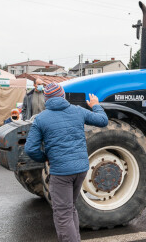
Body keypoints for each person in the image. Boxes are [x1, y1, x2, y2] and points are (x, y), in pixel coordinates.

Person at [25, 83, 108, 242]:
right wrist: (96, 105)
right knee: (69, 209)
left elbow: (30, 149)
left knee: (63, 214)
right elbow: (103, 121)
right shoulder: (78, 111)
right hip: (81, 169)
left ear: (46, 99)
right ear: (63, 96)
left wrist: (45, 157)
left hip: (61, 173)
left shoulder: (41, 118)